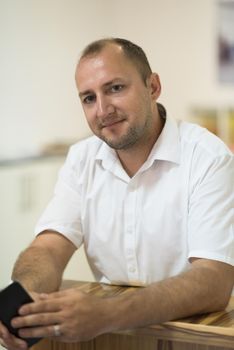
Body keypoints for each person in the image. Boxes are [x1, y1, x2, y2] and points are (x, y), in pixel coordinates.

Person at [0, 37, 233, 350]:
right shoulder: (81, 158)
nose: (103, 110)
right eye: (88, 98)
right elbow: (49, 248)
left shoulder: (208, 157)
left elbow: (213, 281)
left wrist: (107, 313)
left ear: (153, 87)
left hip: (193, 338)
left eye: (115, 88)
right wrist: (21, 304)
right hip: (116, 338)